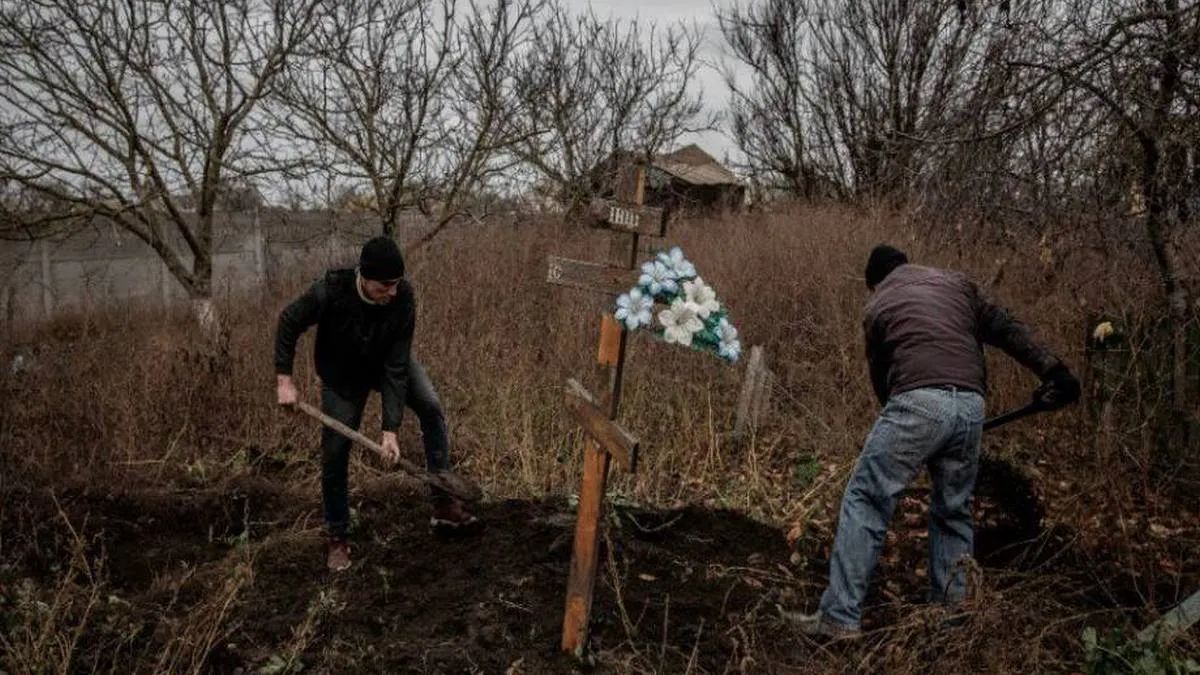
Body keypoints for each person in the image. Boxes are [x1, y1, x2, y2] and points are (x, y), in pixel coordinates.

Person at [793, 244, 1080, 637]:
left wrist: (908, 430)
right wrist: (1054, 370)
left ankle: (839, 617)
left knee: (866, 499)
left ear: (874, 281)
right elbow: (1006, 328)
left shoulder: (878, 304)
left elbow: (884, 381)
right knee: (953, 509)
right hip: (971, 406)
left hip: (916, 402)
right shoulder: (957, 285)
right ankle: (952, 622)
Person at [274, 236, 477, 572]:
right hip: (343, 377)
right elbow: (288, 321)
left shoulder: (403, 298)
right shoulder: (330, 291)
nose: (393, 291)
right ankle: (338, 537)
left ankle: (444, 506)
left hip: (385, 363)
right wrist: (284, 380)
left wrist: (390, 430)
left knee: (431, 406)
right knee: (335, 451)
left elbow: (397, 367)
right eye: (385, 285)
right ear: (364, 277)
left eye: (397, 283)